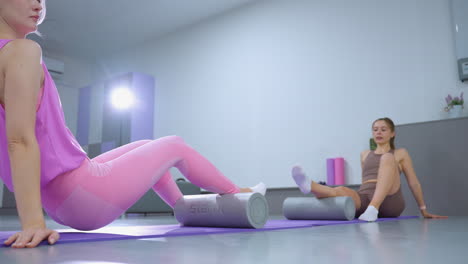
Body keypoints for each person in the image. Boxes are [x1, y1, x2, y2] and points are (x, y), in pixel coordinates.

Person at [0, 0, 265, 248]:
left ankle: (184, 209)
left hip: (60, 201)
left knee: (147, 147)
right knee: (175, 146)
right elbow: (19, 141)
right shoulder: (23, 50)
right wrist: (33, 223)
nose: (37, 4)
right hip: (81, 195)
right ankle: (239, 195)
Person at [292, 117, 447, 222]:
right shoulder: (364, 154)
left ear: (392, 133)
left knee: (386, 157)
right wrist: (355, 196)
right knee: (340, 189)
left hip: (391, 200)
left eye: (383, 129)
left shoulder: (400, 153)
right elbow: (366, 182)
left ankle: (374, 208)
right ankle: (309, 185)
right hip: (366, 198)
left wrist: (423, 209)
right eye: (375, 129)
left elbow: (413, 183)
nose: (378, 132)